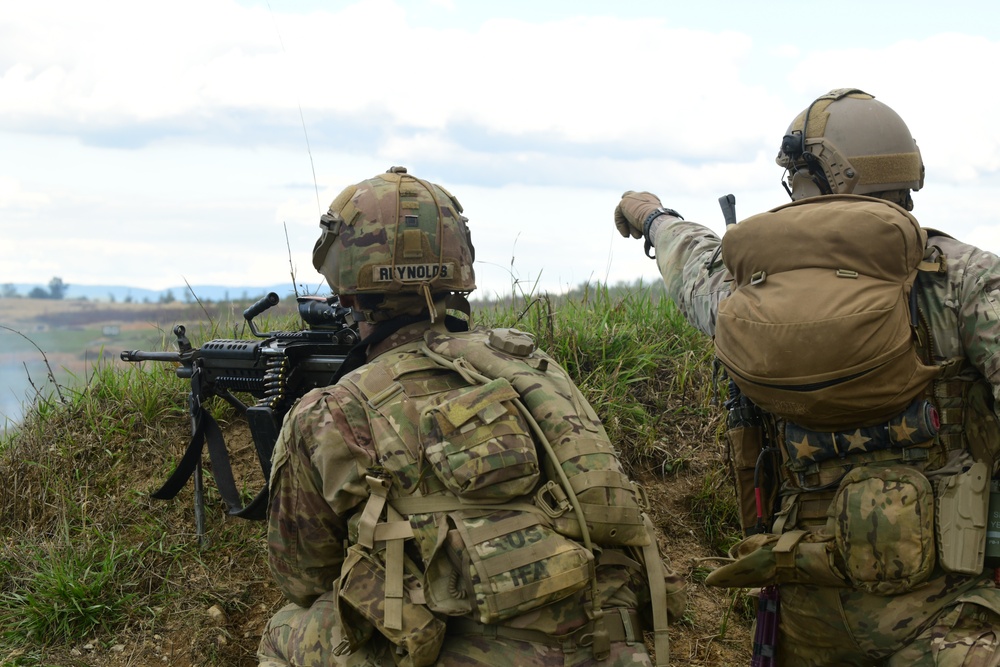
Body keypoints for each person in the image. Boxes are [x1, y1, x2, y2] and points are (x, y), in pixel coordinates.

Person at [614, 88, 1000, 666]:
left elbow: (692, 262)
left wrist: (651, 215)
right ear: (904, 177)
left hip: (807, 613)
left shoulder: (746, 294)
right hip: (954, 619)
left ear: (805, 184)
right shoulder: (963, 280)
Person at [258, 166, 684, 667]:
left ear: (347, 291)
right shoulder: (531, 368)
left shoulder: (331, 411)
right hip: (610, 644)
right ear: (460, 272)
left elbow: (303, 574)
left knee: (285, 627)